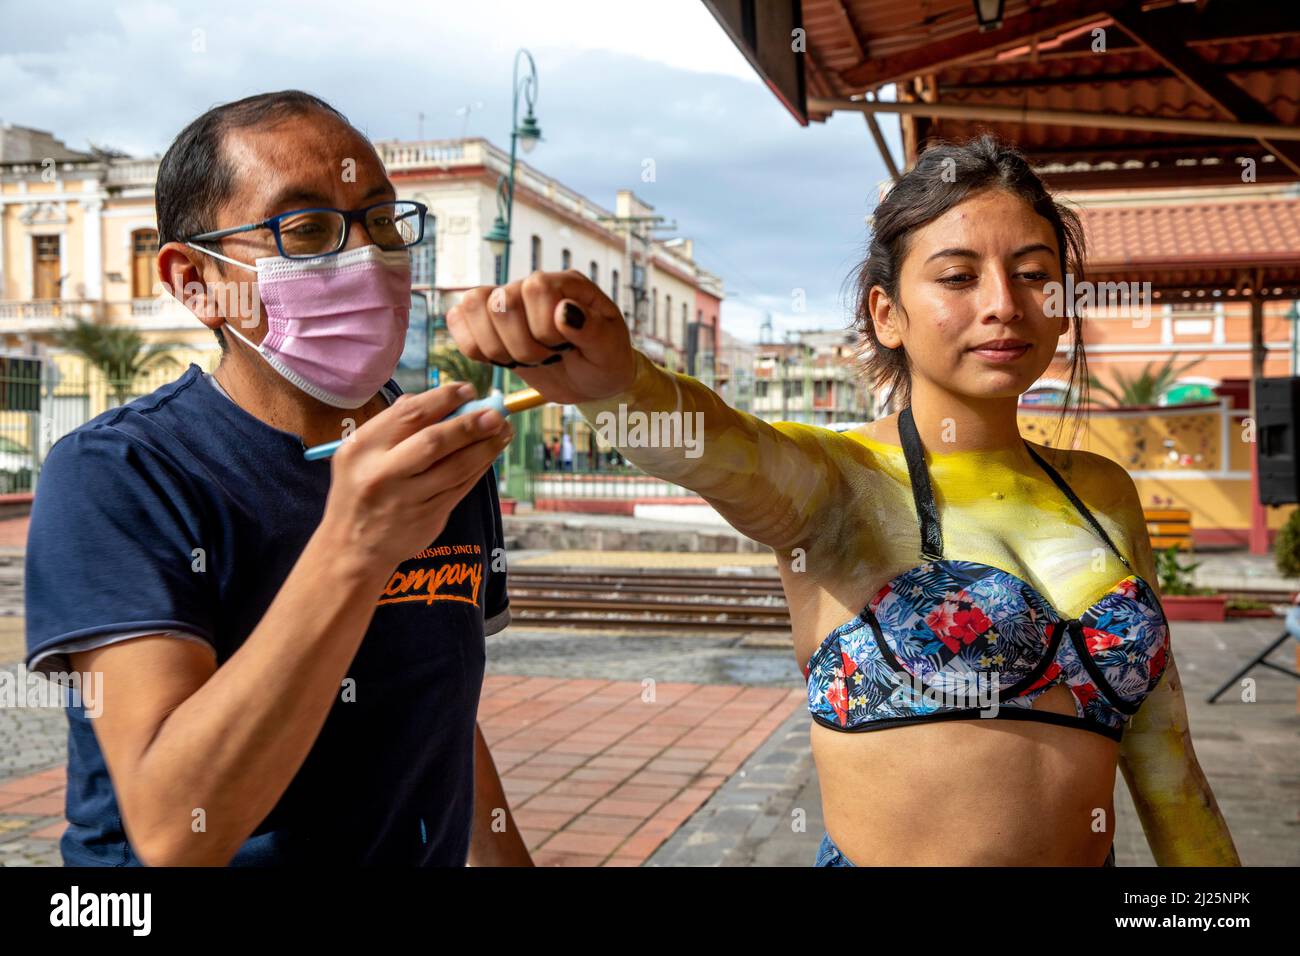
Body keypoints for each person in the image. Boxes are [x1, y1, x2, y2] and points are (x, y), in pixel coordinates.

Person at [446, 135, 1240, 866]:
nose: (1003, 302)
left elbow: (1169, 766)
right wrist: (618, 383)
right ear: (886, 314)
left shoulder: (1103, 493)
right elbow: (713, 446)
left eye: (1034, 274)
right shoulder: (836, 482)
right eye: (959, 277)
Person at [24, 91, 531, 867]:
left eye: (382, 219)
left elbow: (438, 711)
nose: (366, 255)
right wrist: (356, 550)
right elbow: (173, 830)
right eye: (305, 229)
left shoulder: (429, 450)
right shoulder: (121, 474)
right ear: (194, 282)